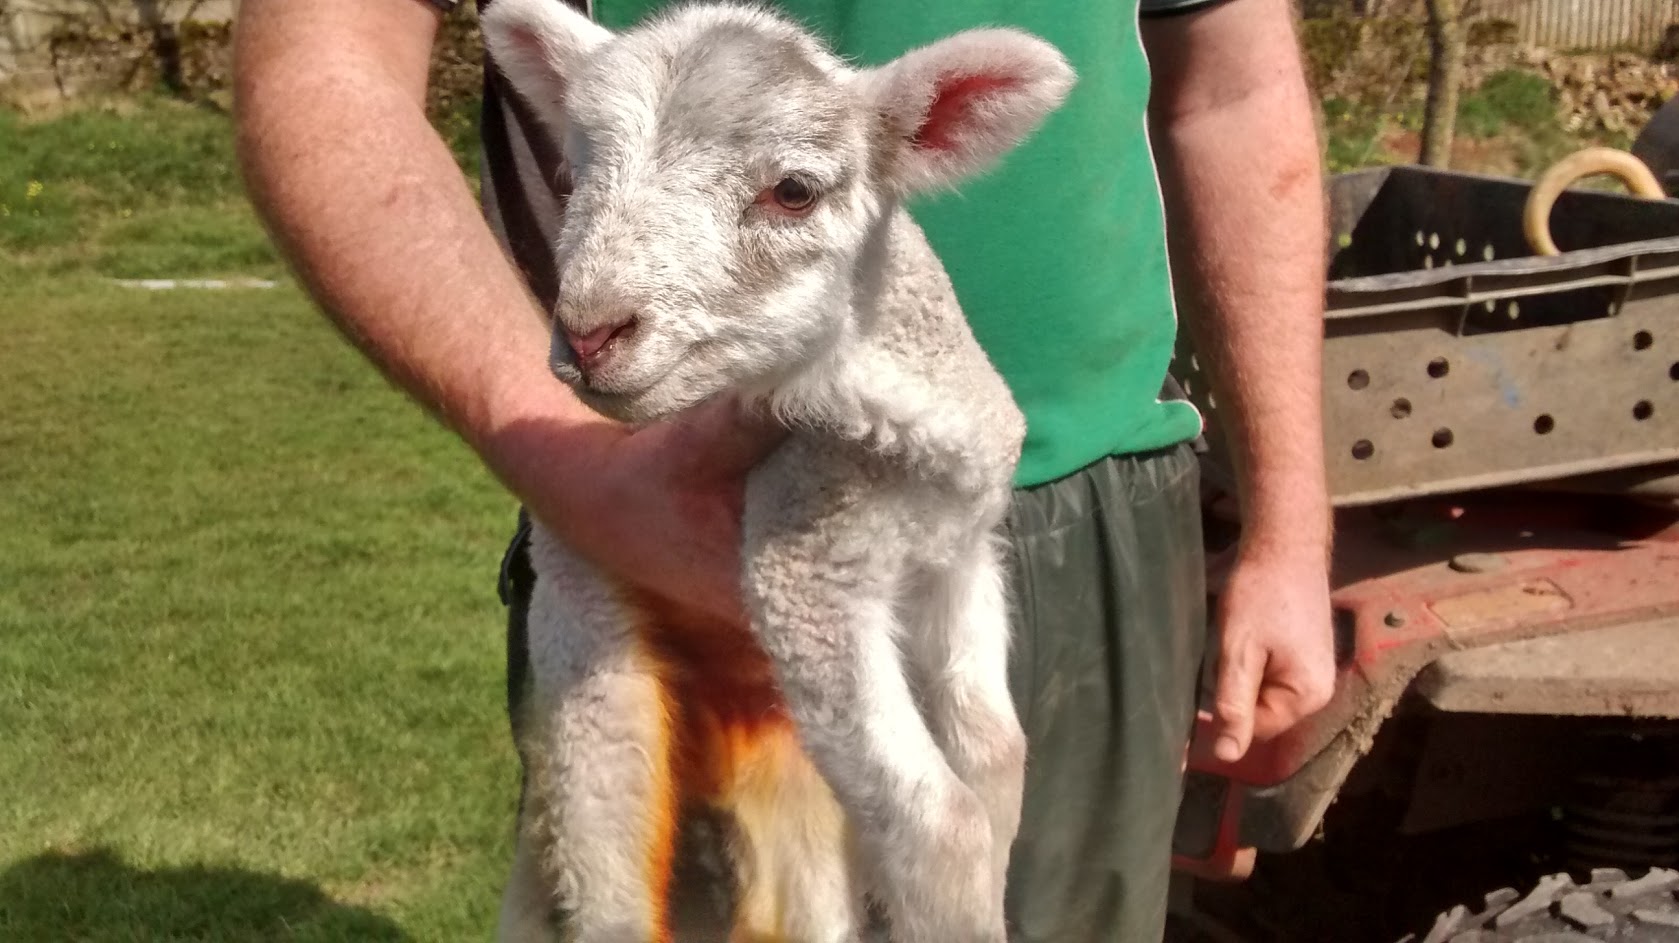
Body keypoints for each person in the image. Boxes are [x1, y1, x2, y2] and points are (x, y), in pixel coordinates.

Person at [233, 0, 1335, 938]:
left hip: (1090, 514)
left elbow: (1227, 88)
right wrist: (558, 450)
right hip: (680, 513)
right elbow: (329, 54)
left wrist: (1290, 524)